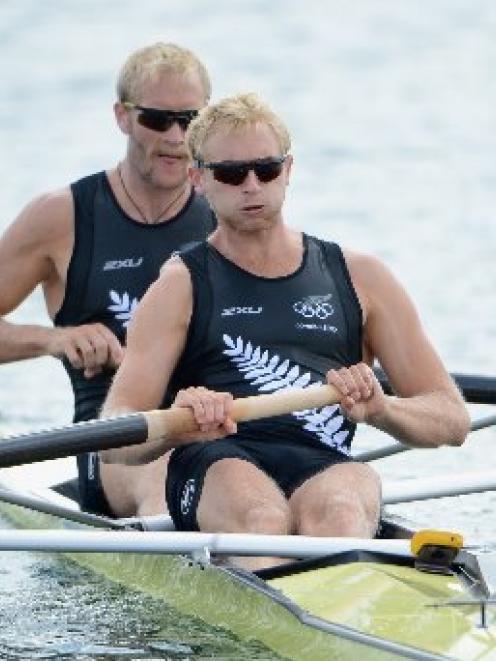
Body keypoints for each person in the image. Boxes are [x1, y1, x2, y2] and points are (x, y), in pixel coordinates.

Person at [100, 92, 470, 568]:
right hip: (219, 457)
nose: (251, 185)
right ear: (198, 181)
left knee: (338, 511)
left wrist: (383, 409)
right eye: (231, 174)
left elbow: (451, 418)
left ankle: (340, 613)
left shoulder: (362, 276)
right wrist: (178, 420)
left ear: (288, 170)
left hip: (321, 458)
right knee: (262, 520)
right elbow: (114, 439)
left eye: (266, 169)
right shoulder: (179, 287)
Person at [0, 42, 216, 517]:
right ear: (122, 117)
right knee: (171, 479)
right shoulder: (62, 217)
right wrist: (52, 339)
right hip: (117, 439)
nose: (177, 136)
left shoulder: (230, 209)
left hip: (217, 427)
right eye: (159, 120)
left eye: (191, 120)